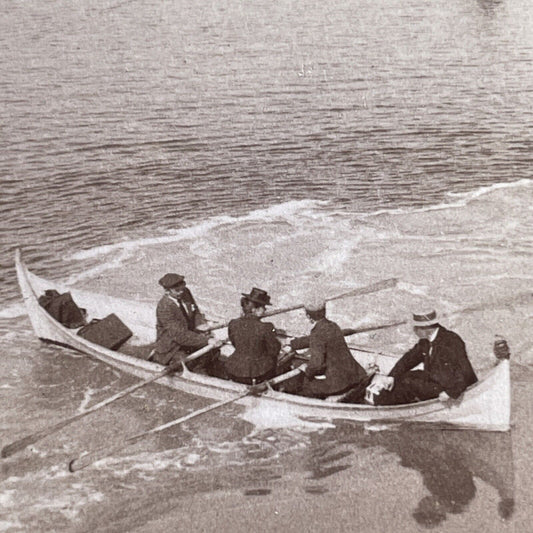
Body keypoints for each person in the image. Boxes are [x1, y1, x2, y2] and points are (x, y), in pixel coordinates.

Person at [368, 309, 478, 405]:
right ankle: (383, 399)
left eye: (416, 327)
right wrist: (392, 376)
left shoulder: (451, 341)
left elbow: (465, 372)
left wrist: (451, 393)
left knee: (409, 383)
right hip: (438, 382)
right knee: (405, 376)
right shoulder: (425, 341)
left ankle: (382, 405)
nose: (414, 330)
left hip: (452, 387)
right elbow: (408, 360)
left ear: (426, 328)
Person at [292, 297, 369, 399]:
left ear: (307, 316)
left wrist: (306, 370)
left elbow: (316, 365)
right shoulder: (333, 326)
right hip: (357, 376)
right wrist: (294, 343)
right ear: (324, 311)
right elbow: (319, 338)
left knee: (298, 385)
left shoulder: (317, 333)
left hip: (338, 385)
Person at [151, 273, 219, 370]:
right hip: (172, 347)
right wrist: (206, 340)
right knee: (186, 362)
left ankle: (204, 370)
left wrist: (202, 325)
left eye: (182, 288)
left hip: (189, 337)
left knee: (214, 351)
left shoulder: (185, 292)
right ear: (167, 291)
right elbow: (179, 335)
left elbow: (195, 312)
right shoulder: (164, 307)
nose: (181, 292)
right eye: (177, 290)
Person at [225, 288, 282, 385]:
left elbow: (234, 343)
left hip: (234, 368)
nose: (265, 310)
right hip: (256, 372)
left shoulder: (233, 323)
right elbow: (274, 350)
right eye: (263, 307)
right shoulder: (267, 327)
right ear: (255, 310)